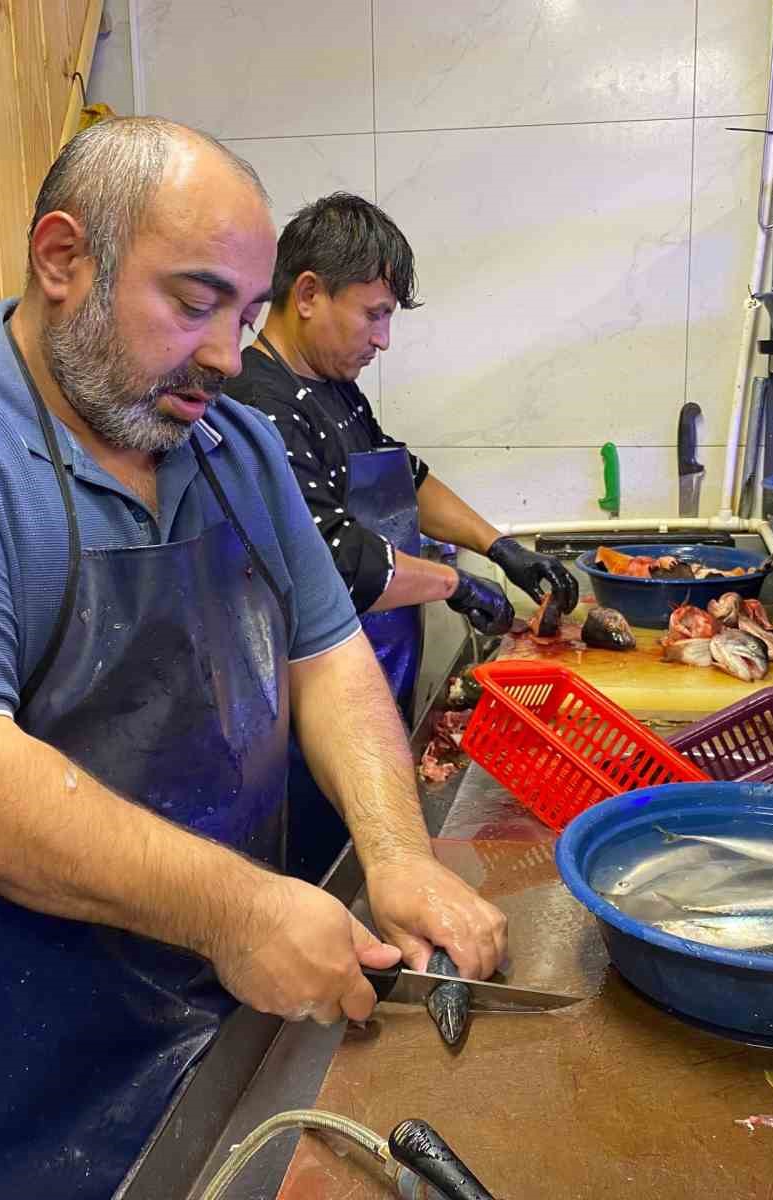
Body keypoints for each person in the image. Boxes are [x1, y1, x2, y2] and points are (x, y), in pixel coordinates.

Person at [0, 119, 506, 1200]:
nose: (227, 353)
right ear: (63, 258)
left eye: (248, 314)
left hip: (204, 1005)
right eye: (195, 300)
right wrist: (245, 911)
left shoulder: (233, 445)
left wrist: (395, 852)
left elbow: (330, 654)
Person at [224, 193, 578, 877]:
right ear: (306, 294)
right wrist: (453, 582)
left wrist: (498, 546)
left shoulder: (333, 386)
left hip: (378, 685)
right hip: (305, 725)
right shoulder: (257, 405)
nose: (383, 340)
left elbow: (405, 476)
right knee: (330, 876)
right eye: (374, 314)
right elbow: (338, 563)